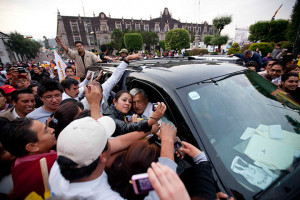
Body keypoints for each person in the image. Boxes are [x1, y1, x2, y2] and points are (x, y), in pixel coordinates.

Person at [0, 118, 57, 199]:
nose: (52, 130)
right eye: (45, 130)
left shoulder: (18, 164)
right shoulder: (54, 164)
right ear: (32, 147)